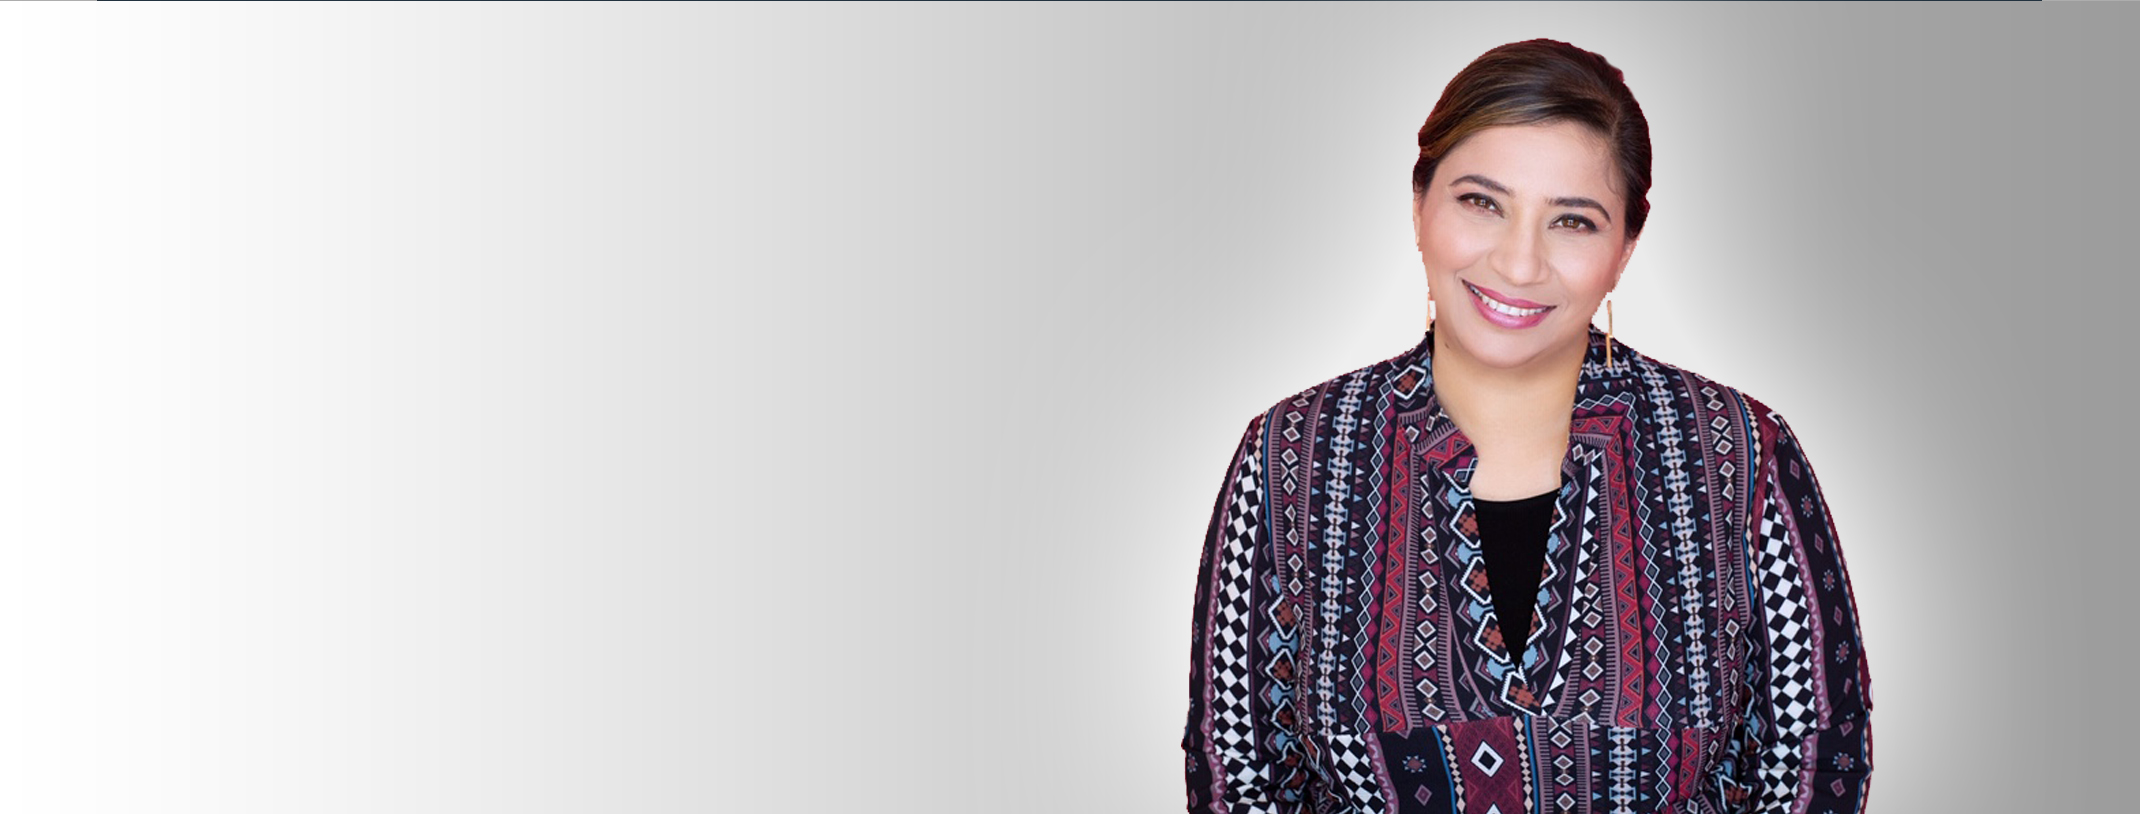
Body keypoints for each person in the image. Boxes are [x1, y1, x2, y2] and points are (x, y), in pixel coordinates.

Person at [1181, 39, 1872, 814]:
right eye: (1482, 203)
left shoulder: (1736, 452)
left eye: (1572, 221)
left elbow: (1819, 757)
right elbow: (1238, 768)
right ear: (1419, 207)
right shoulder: (1295, 454)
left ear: (1624, 249)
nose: (1518, 263)